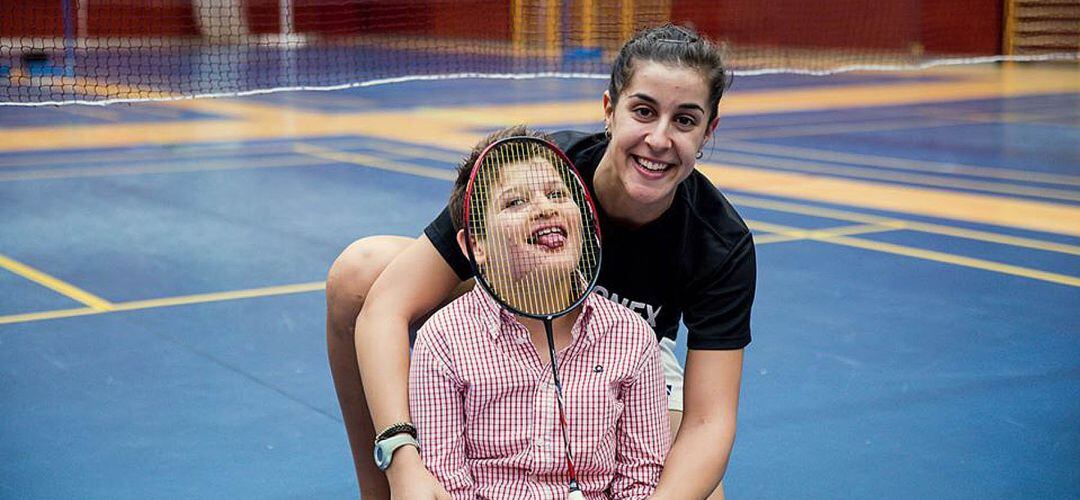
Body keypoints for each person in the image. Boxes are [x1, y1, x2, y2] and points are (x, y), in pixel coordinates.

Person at [326, 23, 754, 499]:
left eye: (685, 120)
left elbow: (709, 420)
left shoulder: (721, 243)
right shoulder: (540, 171)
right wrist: (402, 460)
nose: (658, 138)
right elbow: (385, 307)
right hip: (518, 293)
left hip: (627, 350)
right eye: (643, 111)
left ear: (708, 131)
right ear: (610, 109)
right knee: (361, 273)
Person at [409, 126, 670, 499]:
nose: (545, 207)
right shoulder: (444, 341)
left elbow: (640, 480)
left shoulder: (631, 336)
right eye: (515, 202)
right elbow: (448, 484)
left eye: (557, 194)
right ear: (475, 245)